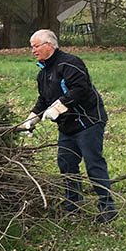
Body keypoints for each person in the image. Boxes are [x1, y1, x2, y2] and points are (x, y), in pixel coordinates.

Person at [24, 29, 116, 223]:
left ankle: (108, 208)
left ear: (49, 45)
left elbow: (80, 89)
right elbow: (43, 99)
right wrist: (32, 119)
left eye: (35, 46)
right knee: (66, 164)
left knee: (93, 163)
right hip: (67, 126)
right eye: (31, 47)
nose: (32, 51)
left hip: (88, 121)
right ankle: (72, 205)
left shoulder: (70, 63)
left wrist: (58, 107)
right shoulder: (43, 72)